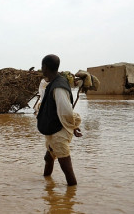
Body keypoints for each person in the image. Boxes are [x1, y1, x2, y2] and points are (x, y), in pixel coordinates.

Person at [37, 54, 82, 186]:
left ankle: (71, 197)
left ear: (45, 67)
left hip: (59, 131)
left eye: (42, 67)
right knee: (48, 158)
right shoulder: (53, 84)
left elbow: (66, 111)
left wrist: (72, 127)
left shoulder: (58, 87)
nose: (41, 69)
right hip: (54, 129)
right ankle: (47, 185)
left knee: (66, 166)